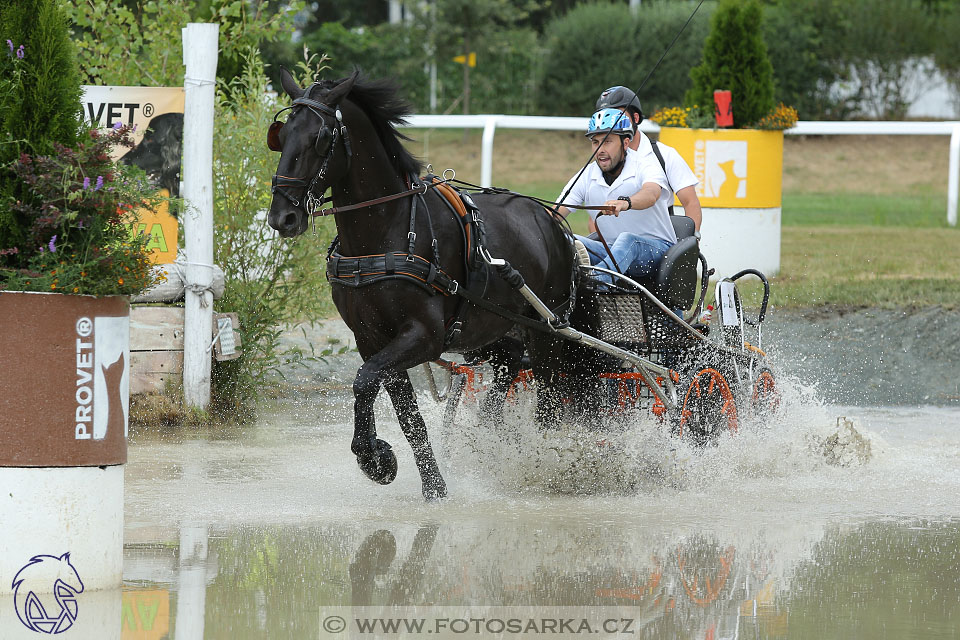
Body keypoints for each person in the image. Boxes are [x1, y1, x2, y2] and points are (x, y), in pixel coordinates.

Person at [556, 108, 676, 283]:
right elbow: (555, 214)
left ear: (625, 143)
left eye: (607, 142)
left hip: (659, 252)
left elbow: (651, 193)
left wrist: (626, 202)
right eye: (595, 142)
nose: (600, 150)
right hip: (612, 251)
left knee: (628, 240)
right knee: (565, 239)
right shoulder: (587, 174)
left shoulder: (645, 163)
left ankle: (594, 284)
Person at [596, 85, 703, 234]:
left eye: (619, 116)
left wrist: (693, 239)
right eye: (608, 117)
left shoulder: (665, 155)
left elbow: (690, 202)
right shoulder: (603, 163)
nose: (613, 123)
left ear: (636, 118)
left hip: (657, 241)